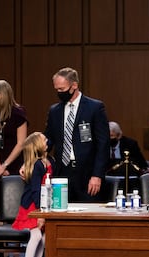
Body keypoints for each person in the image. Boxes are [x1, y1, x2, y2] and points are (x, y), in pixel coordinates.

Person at [44, 67, 110, 202]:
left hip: (87, 174)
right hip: (62, 172)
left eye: (61, 89)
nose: (59, 92)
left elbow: (103, 144)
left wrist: (97, 175)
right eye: (56, 89)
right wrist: (34, 159)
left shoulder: (94, 108)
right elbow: (48, 139)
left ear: (74, 85)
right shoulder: (54, 111)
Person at [0, 79, 28, 257]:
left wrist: (5, 165)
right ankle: (2, 251)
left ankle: (17, 253)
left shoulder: (19, 114)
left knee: (15, 208)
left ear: (3, 93)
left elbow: (22, 143)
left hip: (15, 164)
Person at [12, 132, 51, 257]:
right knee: (35, 236)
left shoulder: (46, 161)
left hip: (42, 205)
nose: (46, 139)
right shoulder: (36, 165)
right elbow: (35, 191)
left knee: (42, 240)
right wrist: (40, 213)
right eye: (43, 138)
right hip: (32, 206)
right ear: (37, 145)